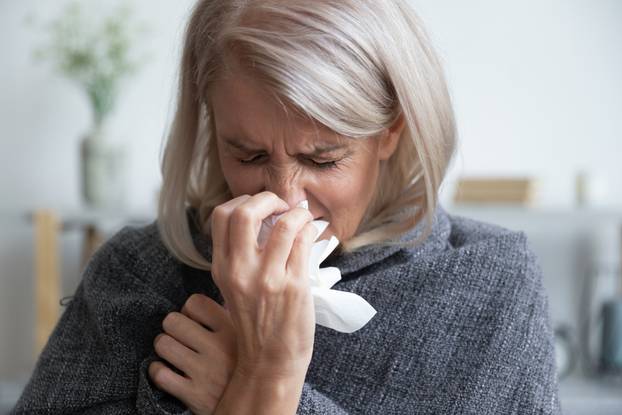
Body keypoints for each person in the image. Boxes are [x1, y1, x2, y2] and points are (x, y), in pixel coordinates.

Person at [12, 0, 561, 413]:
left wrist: (266, 379)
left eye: (323, 160)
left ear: (390, 131)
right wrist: (261, 384)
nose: (284, 198)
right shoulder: (137, 273)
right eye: (248, 154)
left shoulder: (492, 282)